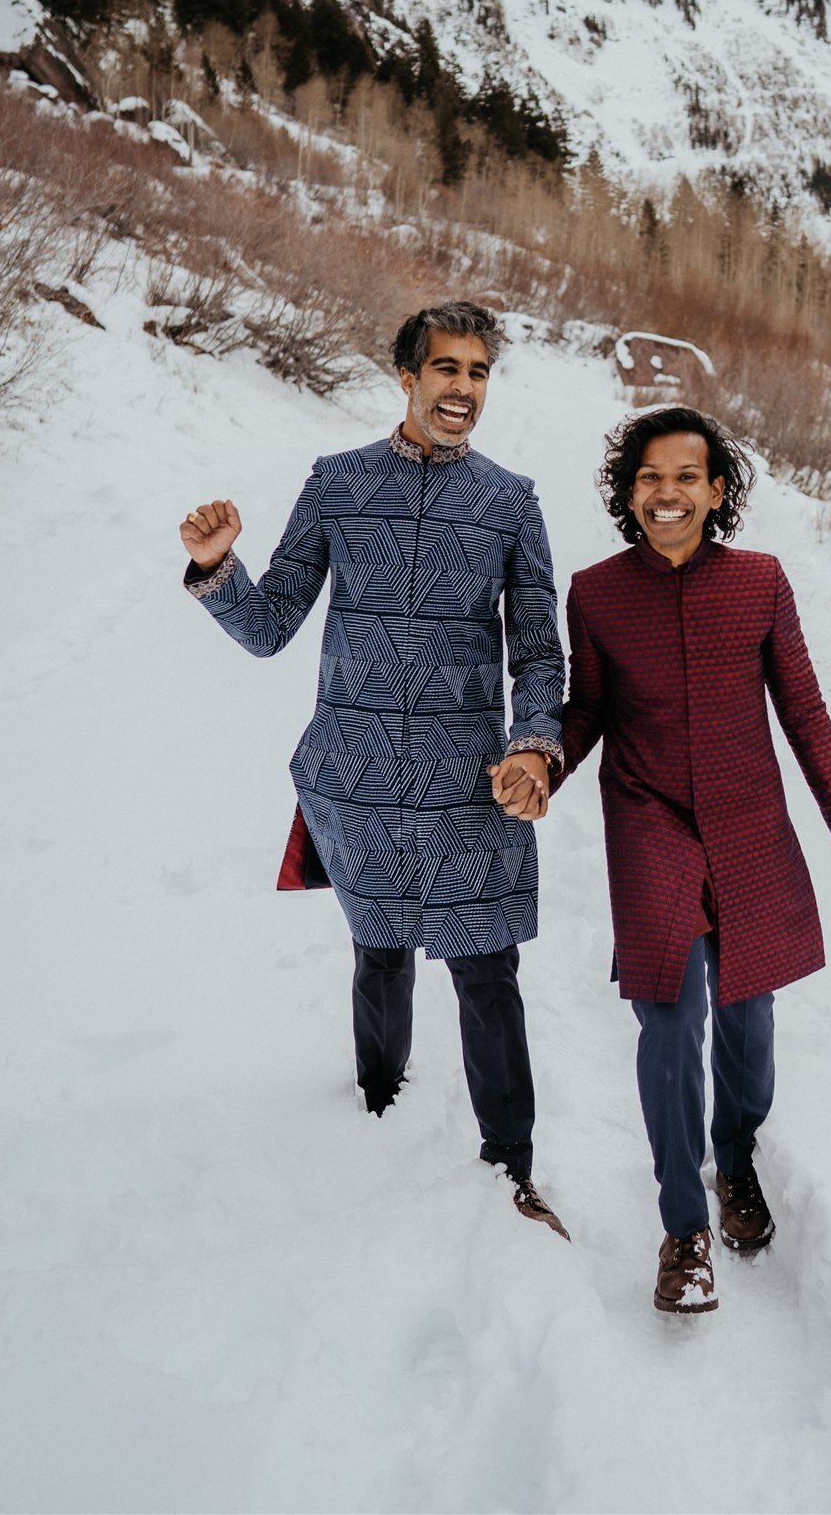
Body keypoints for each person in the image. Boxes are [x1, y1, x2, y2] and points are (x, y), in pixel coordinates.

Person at [180, 301, 569, 1235]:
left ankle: (509, 1170)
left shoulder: (509, 501)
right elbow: (270, 627)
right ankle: (376, 1113)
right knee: (379, 955)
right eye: (446, 369)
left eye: (478, 372)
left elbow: (539, 653)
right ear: (406, 376)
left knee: (486, 972)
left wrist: (534, 742)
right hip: (352, 775)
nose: (463, 388)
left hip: (465, 780)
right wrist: (215, 569)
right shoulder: (339, 484)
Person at [543, 405, 831, 1311]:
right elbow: (586, 712)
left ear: (716, 490)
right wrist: (542, 764)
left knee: (747, 1009)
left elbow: (802, 712)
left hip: (747, 820)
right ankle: (683, 1227)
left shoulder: (760, 584)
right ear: (628, 491)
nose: (667, 493)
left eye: (686, 476)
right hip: (647, 814)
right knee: (667, 1010)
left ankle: (736, 1160)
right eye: (649, 477)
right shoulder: (597, 593)